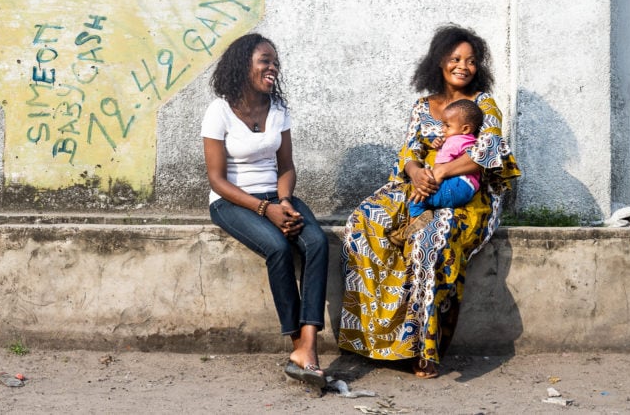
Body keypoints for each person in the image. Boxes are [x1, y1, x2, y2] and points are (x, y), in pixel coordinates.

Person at [339, 24, 520, 379]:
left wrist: (438, 173)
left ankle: (425, 350)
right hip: (421, 186)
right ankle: (378, 340)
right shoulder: (423, 106)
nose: (463, 66)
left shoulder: (484, 105)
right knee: (364, 222)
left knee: (430, 238)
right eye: (455, 59)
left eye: (470, 60)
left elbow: (486, 154)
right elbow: (409, 152)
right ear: (439, 61)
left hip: (467, 196)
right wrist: (415, 171)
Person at [202, 33, 330, 389]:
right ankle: (298, 347)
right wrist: (264, 209)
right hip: (232, 201)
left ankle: (308, 346)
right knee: (276, 247)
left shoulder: (278, 109)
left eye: (275, 62)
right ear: (244, 66)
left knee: (317, 242)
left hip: (277, 196)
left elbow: (286, 166)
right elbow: (216, 179)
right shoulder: (219, 111)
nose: (272, 67)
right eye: (264, 61)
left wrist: (284, 201)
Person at [388, 98, 484, 247]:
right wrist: (440, 146)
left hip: (456, 186)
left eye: (447, 125)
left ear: (465, 128)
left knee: (417, 198)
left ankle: (410, 230)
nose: (442, 129)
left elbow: (440, 168)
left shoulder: (453, 142)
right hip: (469, 187)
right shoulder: (469, 139)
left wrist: (426, 185)